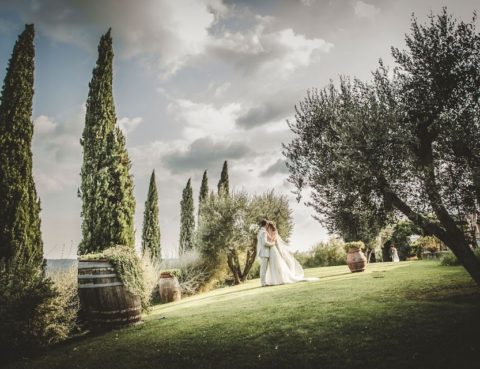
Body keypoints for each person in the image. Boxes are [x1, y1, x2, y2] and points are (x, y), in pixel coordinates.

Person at [256, 219, 275, 287]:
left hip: (263, 252)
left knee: (263, 269)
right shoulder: (263, 232)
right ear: (266, 224)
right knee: (263, 269)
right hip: (264, 252)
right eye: (267, 224)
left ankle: (264, 282)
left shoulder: (260, 231)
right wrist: (272, 244)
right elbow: (264, 243)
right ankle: (263, 283)